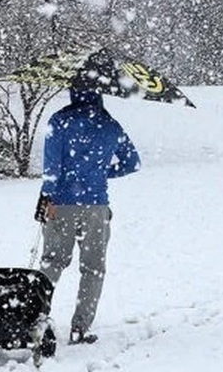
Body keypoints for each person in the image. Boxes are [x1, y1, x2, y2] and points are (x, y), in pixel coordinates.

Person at [34, 88, 140, 345]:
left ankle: (34, 319)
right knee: (93, 268)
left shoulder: (59, 120)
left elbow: (52, 167)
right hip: (97, 207)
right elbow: (132, 163)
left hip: (61, 204)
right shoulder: (110, 124)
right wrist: (101, 173)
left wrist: (46, 196)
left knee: (52, 262)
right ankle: (80, 327)